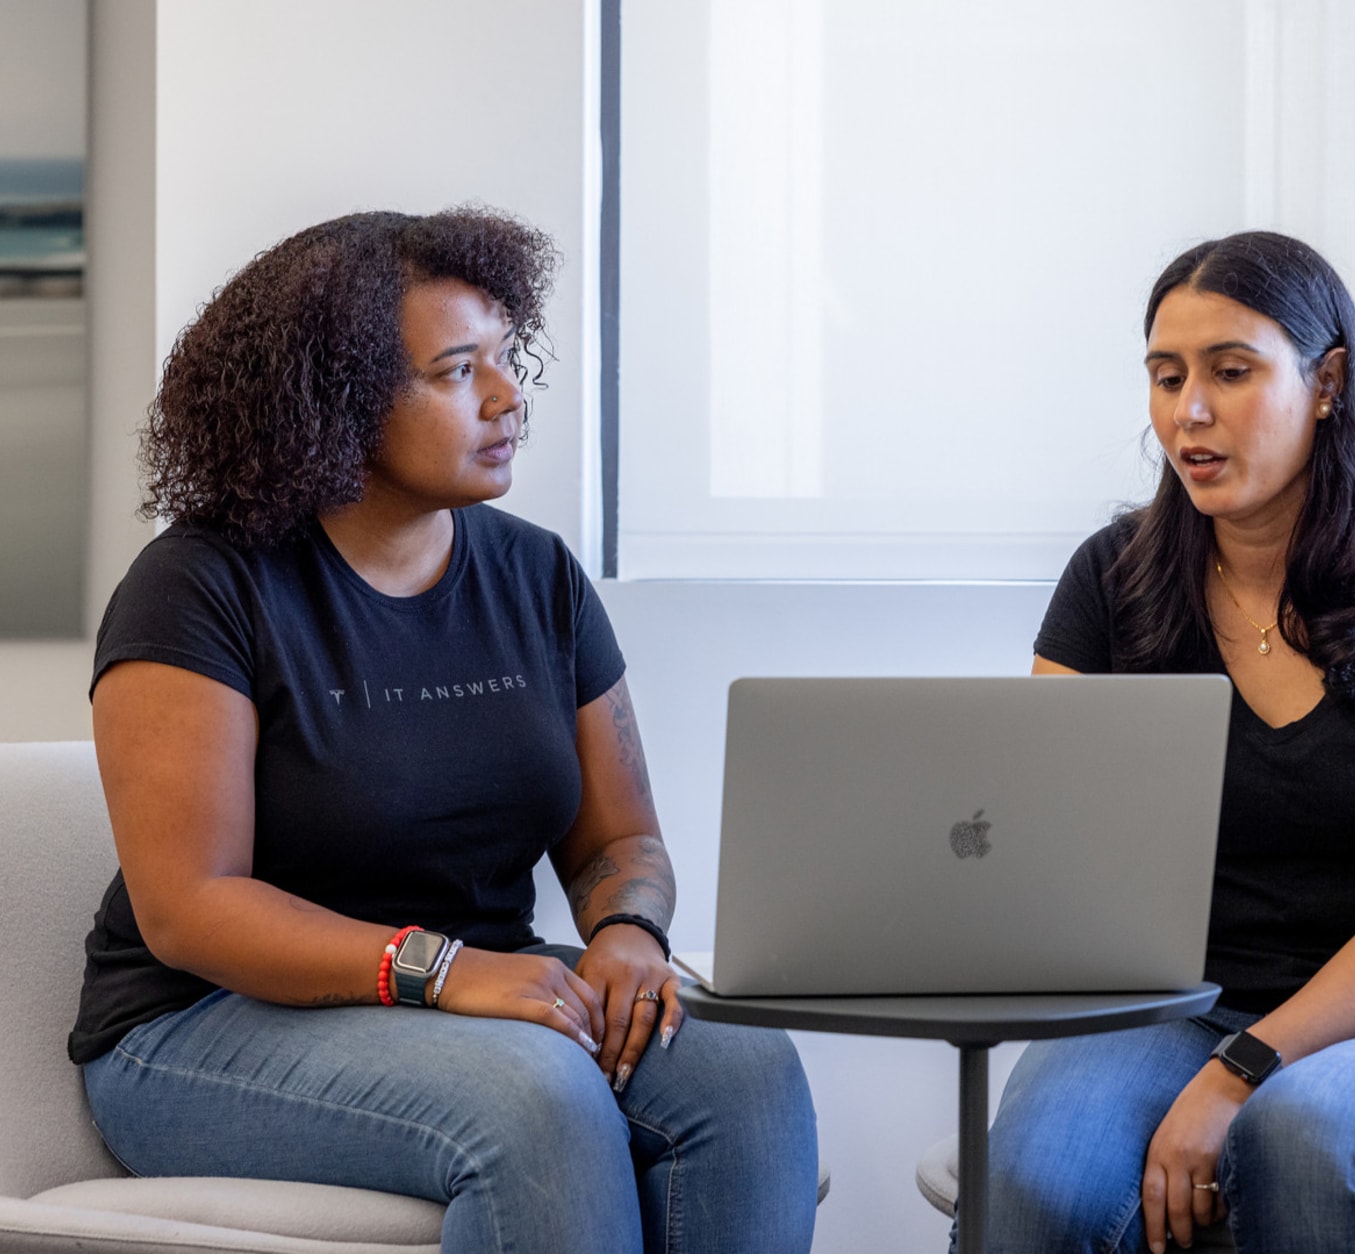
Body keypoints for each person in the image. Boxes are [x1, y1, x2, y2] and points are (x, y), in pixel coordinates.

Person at [67, 208, 818, 1254]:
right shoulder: (197, 589)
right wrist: (447, 971)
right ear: (338, 402)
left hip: (470, 998)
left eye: (506, 359)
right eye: (457, 371)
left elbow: (616, 844)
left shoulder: (536, 575)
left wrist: (626, 934)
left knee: (746, 1069)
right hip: (199, 1028)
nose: (508, 398)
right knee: (536, 1097)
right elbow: (192, 911)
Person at [980, 231, 1355, 1254]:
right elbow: (1039, 838)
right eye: (1165, 376)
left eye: (1229, 373)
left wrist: (1240, 1068)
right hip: (1175, 1006)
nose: (1187, 412)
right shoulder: (1110, 579)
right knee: (1030, 1179)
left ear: (1325, 382)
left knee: (1300, 1133)